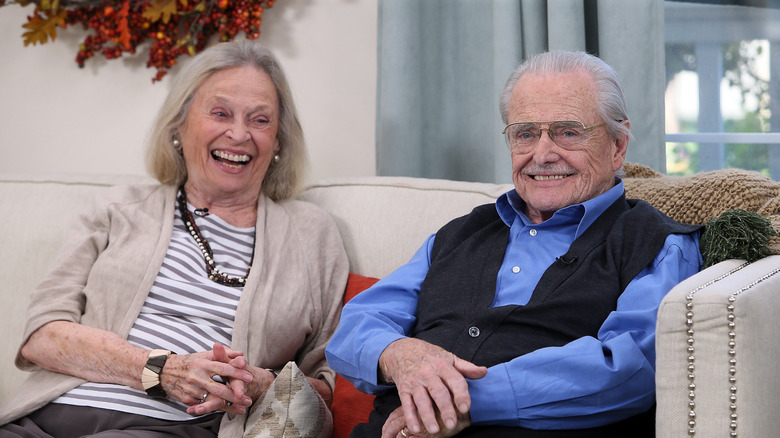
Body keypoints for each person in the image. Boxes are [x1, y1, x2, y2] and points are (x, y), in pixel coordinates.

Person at [325, 50, 702, 437]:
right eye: (525, 134)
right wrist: (399, 355)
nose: (542, 154)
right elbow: (355, 327)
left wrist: (461, 400)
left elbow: (630, 366)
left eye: (568, 131)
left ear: (618, 145)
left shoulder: (658, 244)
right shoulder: (458, 234)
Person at [0, 39, 348, 438]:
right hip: (47, 417)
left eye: (260, 120)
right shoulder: (118, 208)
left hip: (171, 429)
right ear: (180, 124)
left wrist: (259, 384)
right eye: (220, 113)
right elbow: (41, 336)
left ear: (280, 141)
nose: (238, 133)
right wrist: (160, 370)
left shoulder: (312, 235)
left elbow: (329, 389)